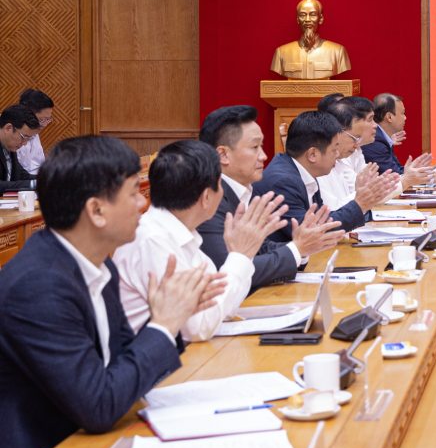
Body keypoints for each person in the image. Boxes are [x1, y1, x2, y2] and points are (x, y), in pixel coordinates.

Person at [0, 135, 224, 448]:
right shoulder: (38, 287)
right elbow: (98, 405)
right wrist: (162, 325)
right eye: (133, 192)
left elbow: (119, 364)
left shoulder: (99, 265)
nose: (143, 204)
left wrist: (171, 317)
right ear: (97, 210)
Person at [115, 140, 293, 341]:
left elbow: (220, 305)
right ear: (206, 197)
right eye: (220, 184)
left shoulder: (181, 233)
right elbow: (199, 327)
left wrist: (242, 256)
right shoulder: (153, 239)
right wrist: (241, 256)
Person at [197, 106, 345, 292]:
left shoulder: (241, 192)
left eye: (261, 146)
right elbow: (230, 271)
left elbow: (260, 247)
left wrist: (302, 247)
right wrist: (297, 249)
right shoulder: (208, 200)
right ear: (223, 154)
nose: (263, 156)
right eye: (254, 147)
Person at [254, 110, 397, 242]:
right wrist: (360, 204)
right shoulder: (282, 181)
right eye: (334, 149)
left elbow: (323, 219)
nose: (337, 155)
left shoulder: (304, 171)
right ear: (312, 154)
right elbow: (314, 232)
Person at [270, 0, 352, 79]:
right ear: (297, 19)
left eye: (313, 14)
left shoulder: (338, 52)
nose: (307, 19)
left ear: (320, 19)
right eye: (303, 15)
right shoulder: (281, 53)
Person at [0, 104, 40, 192]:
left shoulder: (9, 146)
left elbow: (21, 175)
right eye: (23, 137)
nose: (25, 143)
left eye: (28, 139)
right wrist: (33, 184)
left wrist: (47, 179)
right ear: (8, 128)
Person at [16, 88, 54, 174]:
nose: (44, 125)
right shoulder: (11, 131)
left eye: (48, 119)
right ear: (28, 113)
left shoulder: (34, 130)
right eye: (42, 120)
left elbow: (38, 165)